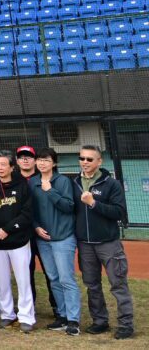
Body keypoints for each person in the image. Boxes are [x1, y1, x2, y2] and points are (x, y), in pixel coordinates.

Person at [74, 145, 134, 340]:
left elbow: (119, 212)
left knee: (118, 284)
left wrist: (94, 204)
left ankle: (126, 324)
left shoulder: (111, 184)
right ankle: (100, 321)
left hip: (108, 243)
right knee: (92, 285)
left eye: (89, 159)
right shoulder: (74, 182)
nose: (85, 162)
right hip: (85, 244)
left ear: (99, 161)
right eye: (82, 158)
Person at [30, 147, 80, 335]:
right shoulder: (33, 183)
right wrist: (35, 226)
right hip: (43, 238)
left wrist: (50, 191)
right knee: (53, 278)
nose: (42, 163)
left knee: (67, 278)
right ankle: (62, 316)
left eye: (46, 160)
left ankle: (73, 319)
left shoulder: (63, 181)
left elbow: (68, 207)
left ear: (54, 163)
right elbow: (30, 210)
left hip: (63, 237)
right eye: (39, 160)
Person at [0, 151, 35, 333]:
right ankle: (7, 314)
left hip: (18, 240)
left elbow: (27, 214)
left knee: (23, 280)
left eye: (3, 164)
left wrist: (8, 229)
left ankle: (26, 316)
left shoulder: (22, 186)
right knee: (2, 281)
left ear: (12, 167)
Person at [16, 145, 56, 314]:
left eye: (29, 156)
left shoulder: (43, 178)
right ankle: (30, 307)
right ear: (17, 161)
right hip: (24, 234)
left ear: (35, 160)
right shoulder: (12, 179)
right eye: (21, 156)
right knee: (27, 272)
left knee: (51, 272)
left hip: (44, 232)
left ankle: (56, 307)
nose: (25, 160)